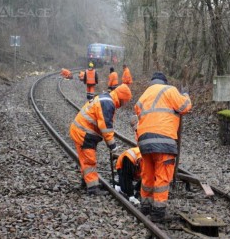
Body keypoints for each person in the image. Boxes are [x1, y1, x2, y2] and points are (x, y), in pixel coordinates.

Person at [135, 72, 192, 222]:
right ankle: (158, 212)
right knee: (162, 176)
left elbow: (138, 115)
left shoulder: (143, 96)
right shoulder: (169, 90)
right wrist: (185, 94)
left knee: (147, 174)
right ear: (164, 82)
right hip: (164, 139)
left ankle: (145, 206)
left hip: (144, 141)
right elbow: (185, 107)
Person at [69, 84, 132, 196]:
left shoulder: (106, 99)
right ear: (122, 97)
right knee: (89, 161)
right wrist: (112, 146)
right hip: (84, 133)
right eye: (125, 101)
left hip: (80, 130)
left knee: (85, 159)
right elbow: (106, 128)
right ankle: (93, 188)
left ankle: (86, 181)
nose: (125, 104)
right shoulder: (107, 103)